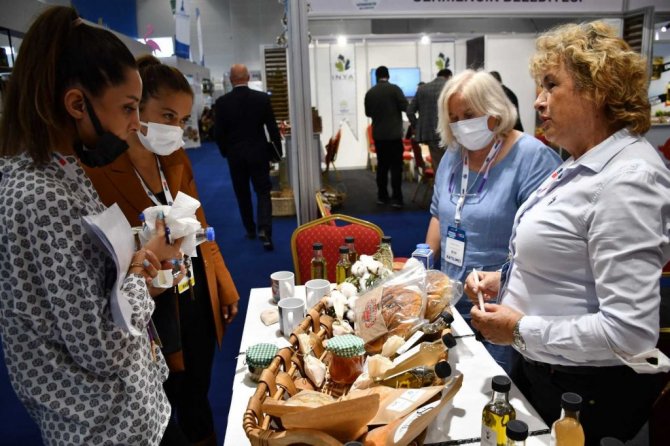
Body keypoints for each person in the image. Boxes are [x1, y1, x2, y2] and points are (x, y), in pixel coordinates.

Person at [465, 21, 670, 444]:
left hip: (582, 393)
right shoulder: (583, 161)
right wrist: (503, 280)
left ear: (599, 89)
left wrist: (519, 330)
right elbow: (570, 261)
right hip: (547, 372)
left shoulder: (627, 179)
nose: (538, 101)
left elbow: (629, 333)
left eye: (551, 85)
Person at [0, 6, 185, 445]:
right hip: (107, 427)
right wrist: (144, 269)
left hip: (131, 409)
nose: (135, 124)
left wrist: (136, 259)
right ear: (77, 104)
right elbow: (103, 346)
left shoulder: (63, 170)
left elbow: (92, 282)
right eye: (127, 108)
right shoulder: (41, 196)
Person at [82, 55, 240, 446]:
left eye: (182, 120)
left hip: (194, 289)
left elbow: (201, 225)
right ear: (137, 107)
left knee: (199, 391)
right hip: (151, 303)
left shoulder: (175, 158)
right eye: (167, 116)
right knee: (168, 400)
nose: (176, 129)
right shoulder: (98, 174)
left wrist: (223, 284)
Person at [425, 69, 560, 372]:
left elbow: (548, 243)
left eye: (469, 115)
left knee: (494, 383)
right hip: (450, 299)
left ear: (494, 110)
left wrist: (502, 280)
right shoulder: (453, 156)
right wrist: (422, 261)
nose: (461, 125)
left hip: (500, 304)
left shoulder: (531, 158)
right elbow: (438, 213)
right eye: (454, 118)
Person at [214, 64, 282, 251]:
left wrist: (225, 152)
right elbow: (272, 128)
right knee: (263, 191)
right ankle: (265, 230)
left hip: (235, 156)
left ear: (230, 80)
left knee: (242, 193)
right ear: (248, 77)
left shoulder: (222, 103)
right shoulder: (262, 99)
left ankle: (250, 229)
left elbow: (218, 133)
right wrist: (277, 152)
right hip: (259, 153)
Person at [365, 65, 409, 208]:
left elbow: (368, 113)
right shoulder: (395, 89)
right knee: (396, 168)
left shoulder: (370, 93)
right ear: (388, 76)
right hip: (394, 136)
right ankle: (397, 198)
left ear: (376, 77)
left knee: (382, 167)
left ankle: (382, 197)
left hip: (379, 137)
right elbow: (405, 107)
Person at [406, 68, 452, 169]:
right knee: (453, 165)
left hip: (431, 134)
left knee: (438, 166)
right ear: (449, 77)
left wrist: (417, 126)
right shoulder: (451, 87)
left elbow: (410, 111)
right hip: (450, 132)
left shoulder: (422, 89)